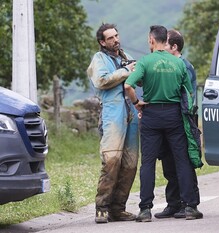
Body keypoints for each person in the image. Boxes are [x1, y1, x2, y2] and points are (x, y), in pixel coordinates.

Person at [124, 25, 203, 222]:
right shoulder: (178, 64)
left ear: (151, 40)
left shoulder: (145, 62)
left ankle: (145, 210)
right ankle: (190, 207)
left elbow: (128, 86)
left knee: (148, 163)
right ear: (164, 40)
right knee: (182, 160)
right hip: (175, 115)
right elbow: (188, 93)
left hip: (151, 115)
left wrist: (137, 103)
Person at [86, 23, 139, 224]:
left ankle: (118, 209)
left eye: (116, 35)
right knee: (111, 161)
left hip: (131, 114)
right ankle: (102, 207)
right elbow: (101, 81)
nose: (116, 40)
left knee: (130, 163)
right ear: (102, 42)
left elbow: (136, 80)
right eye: (110, 38)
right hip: (112, 114)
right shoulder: (99, 59)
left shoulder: (125, 57)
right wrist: (127, 71)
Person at [154, 29, 200, 219]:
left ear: (174, 47)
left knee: (184, 162)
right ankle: (173, 203)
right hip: (168, 118)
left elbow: (185, 96)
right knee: (169, 164)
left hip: (182, 119)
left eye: (164, 44)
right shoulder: (167, 64)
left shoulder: (184, 66)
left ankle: (190, 204)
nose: (161, 47)